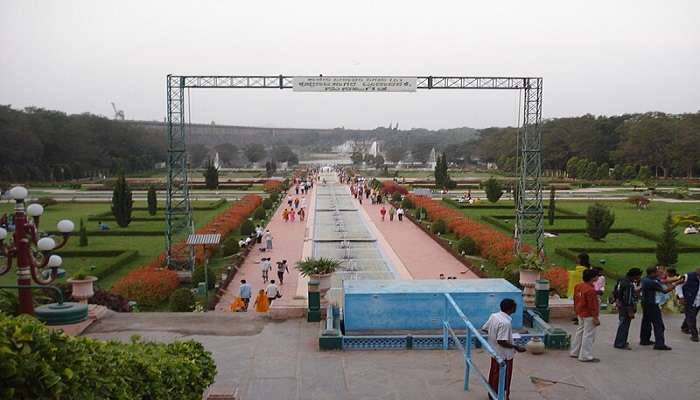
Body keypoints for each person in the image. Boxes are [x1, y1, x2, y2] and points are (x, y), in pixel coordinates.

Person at [482, 298, 525, 400]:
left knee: (494, 374)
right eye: (514, 307)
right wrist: (516, 347)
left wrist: (493, 335)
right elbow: (501, 341)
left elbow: (485, 328)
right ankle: (501, 396)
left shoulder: (494, 316)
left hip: (495, 352)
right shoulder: (505, 323)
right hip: (504, 355)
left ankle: (492, 394)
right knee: (503, 377)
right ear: (510, 309)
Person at [640, 266, 682, 350]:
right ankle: (659, 344)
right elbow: (665, 290)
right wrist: (675, 284)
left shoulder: (645, 279)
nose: (658, 274)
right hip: (653, 304)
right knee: (658, 325)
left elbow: (664, 281)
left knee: (646, 322)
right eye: (656, 272)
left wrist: (677, 279)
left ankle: (644, 340)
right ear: (652, 273)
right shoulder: (653, 282)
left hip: (645, 303)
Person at [570, 268, 601, 362]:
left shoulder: (578, 286)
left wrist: (576, 310)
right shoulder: (590, 290)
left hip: (580, 312)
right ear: (593, 278)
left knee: (580, 332)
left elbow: (575, 299)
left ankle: (575, 352)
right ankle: (585, 356)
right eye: (597, 275)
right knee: (589, 335)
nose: (598, 277)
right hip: (589, 314)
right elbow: (592, 305)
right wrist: (595, 317)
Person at [613, 268, 642, 349]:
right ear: (635, 276)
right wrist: (630, 311)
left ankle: (620, 341)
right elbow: (628, 299)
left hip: (620, 305)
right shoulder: (629, 285)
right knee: (624, 325)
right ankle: (621, 343)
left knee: (622, 323)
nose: (639, 277)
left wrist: (617, 300)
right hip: (626, 307)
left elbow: (615, 291)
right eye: (639, 275)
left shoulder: (621, 280)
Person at [677, 266, 700, 342]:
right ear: (697, 271)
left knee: (691, 315)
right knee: (691, 317)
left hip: (698, 300)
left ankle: (685, 327)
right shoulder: (687, 276)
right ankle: (695, 335)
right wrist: (681, 297)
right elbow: (678, 285)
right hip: (690, 300)